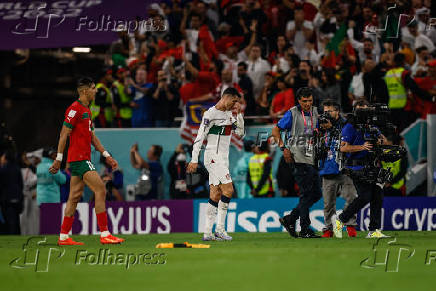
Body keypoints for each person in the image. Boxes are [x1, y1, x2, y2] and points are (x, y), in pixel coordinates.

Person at [49, 77, 124, 245]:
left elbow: (91, 137)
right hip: (80, 159)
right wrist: (59, 159)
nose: (95, 91)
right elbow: (63, 134)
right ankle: (105, 234)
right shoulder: (74, 109)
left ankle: (63, 237)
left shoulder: (87, 110)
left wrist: (106, 155)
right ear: (84, 91)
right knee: (100, 189)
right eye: (92, 88)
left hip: (81, 159)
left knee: (74, 197)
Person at [187, 87, 244, 241]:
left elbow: (240, 133)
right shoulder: (210, 114)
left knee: (215, 194)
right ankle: (220, 229)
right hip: (212, 156)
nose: (234, 104)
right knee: (229, 189)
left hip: (223, 158)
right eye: (234, 101)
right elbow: (199, 137)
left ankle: (207, 232)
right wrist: (194, 159)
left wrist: (238, 115)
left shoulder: (229, 114)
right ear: (226, 97)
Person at [333, 100, 388, 239]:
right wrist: (362, 147)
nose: (364, 113)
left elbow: (384, 141)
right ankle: (341, 219)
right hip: (356, 166)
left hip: (372, 165)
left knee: (377, 196)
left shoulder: (372, 126)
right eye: (361, 109)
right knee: (365, 196)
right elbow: (343, 147)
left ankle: (374, 230)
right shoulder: (350, 126)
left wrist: (380, 142)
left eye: (366, 109)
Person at [272, 87, 321, 238]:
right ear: (299, 100)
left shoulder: (316, 112)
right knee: (307, 193)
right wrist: (283, 148)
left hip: (312, 158)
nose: (307, 104)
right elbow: (275, 130)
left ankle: (290, 219)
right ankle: (305, 229)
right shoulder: (292, 113)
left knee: (316, 194)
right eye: (304, 101)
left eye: (310, 101)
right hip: (297, 158)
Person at [317, 100, 357, 238]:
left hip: (345, 167)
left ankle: (350, 225)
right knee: (328, 203)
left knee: (351, 198)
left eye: (329, 111)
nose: (325, 114)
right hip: (328, 167)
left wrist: (330, 128)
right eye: (324, 111)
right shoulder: (320, 125)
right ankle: (328, 228)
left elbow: (345, 140)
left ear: (337, 111)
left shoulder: (347, 124)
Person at [0, 151, 23, 235]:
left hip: (6, 199)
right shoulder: (17, 168)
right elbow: (20, 184)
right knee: (16, 220)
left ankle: (10, 236)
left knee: (8, 220)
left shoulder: (3, 169)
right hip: (17, 197)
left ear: (6, 158)